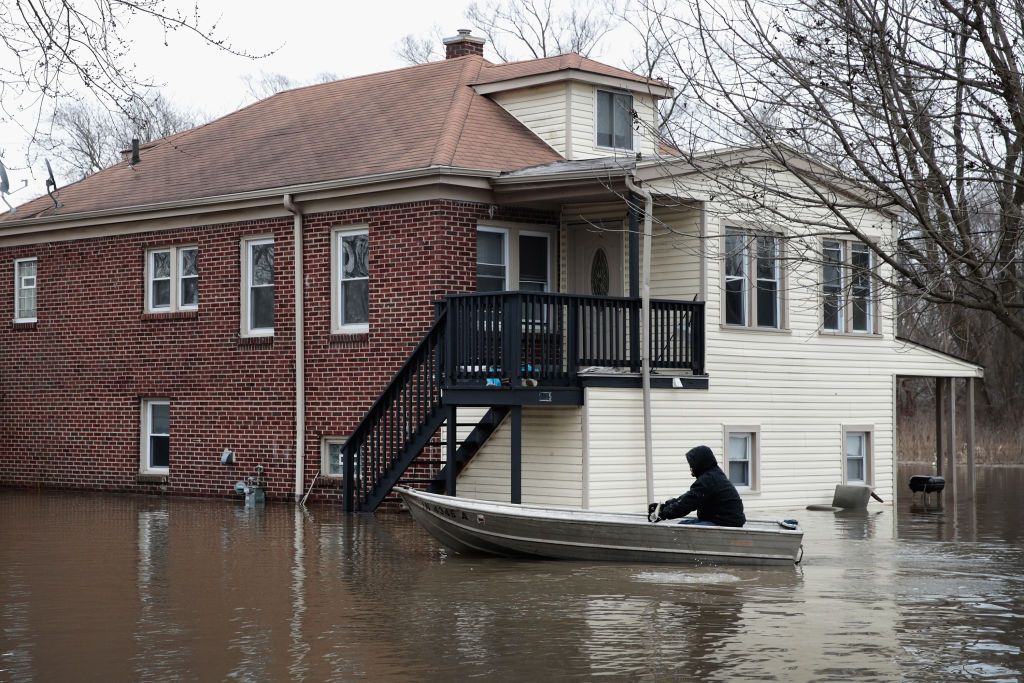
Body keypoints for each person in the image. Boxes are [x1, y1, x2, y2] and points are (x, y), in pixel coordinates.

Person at [647, 445, 746, 527]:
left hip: (725, 523)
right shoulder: (713, 474)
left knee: (682, 531)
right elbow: (688, 497)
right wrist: (665, 506)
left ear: (700, 463)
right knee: (683, 525)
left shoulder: (709, 479)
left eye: (692, 465)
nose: (691, 469)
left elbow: (687, 504)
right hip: (721, 519)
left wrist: (662, 514)